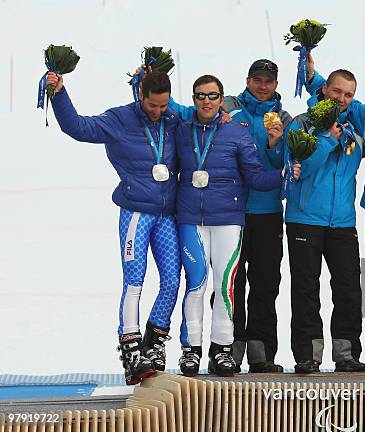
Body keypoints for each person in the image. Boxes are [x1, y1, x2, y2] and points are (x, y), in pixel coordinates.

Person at [47, 71, 181, 385]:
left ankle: (154, 343)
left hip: (166, 215)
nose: (158, 112)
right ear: (140, 95)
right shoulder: (119, 119)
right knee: (134, 281)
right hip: (136, 213)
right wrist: (59, 93)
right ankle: (131, 350)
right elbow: (76, 127)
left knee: (172, 281)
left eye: (163, 106)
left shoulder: (173, 120)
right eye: (152, 105)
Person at [169, 60, 290, 373]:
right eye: (258, 79)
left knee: (263, 285)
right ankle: (225, 350)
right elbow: (177, 111)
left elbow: (267, 166)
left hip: (264, 212)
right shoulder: (230, 110)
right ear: (247, 80)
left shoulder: (284, 118)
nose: (263, 86)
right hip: (224, 214)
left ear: (276, 84)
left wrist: (281, 159)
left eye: (269, 81)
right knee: (222, 284)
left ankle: (261, 355)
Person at [285, 68, 365, 374]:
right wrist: (328, 139)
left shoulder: (355, 128)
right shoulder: (302, 124)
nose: (342, 99)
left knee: (348, 289)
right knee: (306, 289)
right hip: (304, 218)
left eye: (348, 94)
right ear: (324, 90)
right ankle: (308, 355)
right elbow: (299, 170)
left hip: (343, 221)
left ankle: (346, 353)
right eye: (337, 92)